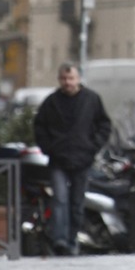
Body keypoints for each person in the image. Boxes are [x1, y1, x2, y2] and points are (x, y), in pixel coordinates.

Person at [33, 62, 113, 256]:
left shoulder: (91, 99)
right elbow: (39, 126)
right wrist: (48, 148)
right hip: (58, 159)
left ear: (78, 79)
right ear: (60, 80)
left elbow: (104, 124)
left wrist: (93, 146)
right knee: (60, 200)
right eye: (64, 79)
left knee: (77, 202)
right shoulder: (51, 102)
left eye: (71, 78)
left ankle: (71, 239)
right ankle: (59, 240)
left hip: (82, 159)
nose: (67, 82)